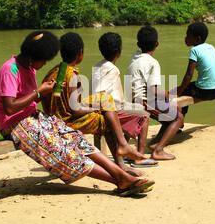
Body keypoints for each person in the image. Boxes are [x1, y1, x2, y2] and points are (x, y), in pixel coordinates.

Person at [0, 30, 154, 197]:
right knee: (63, 152)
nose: (44, 64)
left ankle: (122, 173)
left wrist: (44, 93)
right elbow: (9, 108)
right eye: (44, 60)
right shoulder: (10, 70)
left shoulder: (29, 67)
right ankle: (120, 179)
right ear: (34, 56)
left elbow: (31, 100)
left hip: (34, 117)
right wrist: (40, 92)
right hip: (14, 124)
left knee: (77, 139)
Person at [41, 32, 147, 177]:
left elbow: (50, 103)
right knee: (105, 119)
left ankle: (122, 148)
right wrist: (94, 108)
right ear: (80, 54)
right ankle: (121, 158)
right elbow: (75, 110)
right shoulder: (72, 76)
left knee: (105, 100)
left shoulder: (54, 72)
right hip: (67, 122)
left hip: (55, 119)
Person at [92, 32, 158, 168]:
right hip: (110, 109)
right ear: (119, 52)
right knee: (144, 115)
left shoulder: (97, 66)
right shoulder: (113, 70)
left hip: (102, 107)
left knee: (133, 109)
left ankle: (124, 155)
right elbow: (104, 94)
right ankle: (138, 156)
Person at [127, 26, 184, 160]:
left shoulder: (134, 57)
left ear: (138, 44)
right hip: (143, 102)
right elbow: (154, 90)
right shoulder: (153, 63)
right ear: (157, 44)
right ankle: (158, 150)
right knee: (178, 117)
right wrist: (170, 96)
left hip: (131, 98)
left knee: (170, 110)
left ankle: (156, 142)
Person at [176, 22, 215, 118]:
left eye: (188, 36)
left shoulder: (195, 50)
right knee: (186, 87)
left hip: (205, 92)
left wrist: (179, 91)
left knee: (183, 90)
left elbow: (189, 74)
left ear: (197, 39)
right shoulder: (211, 47)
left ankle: (179, 121)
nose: (185, 38)